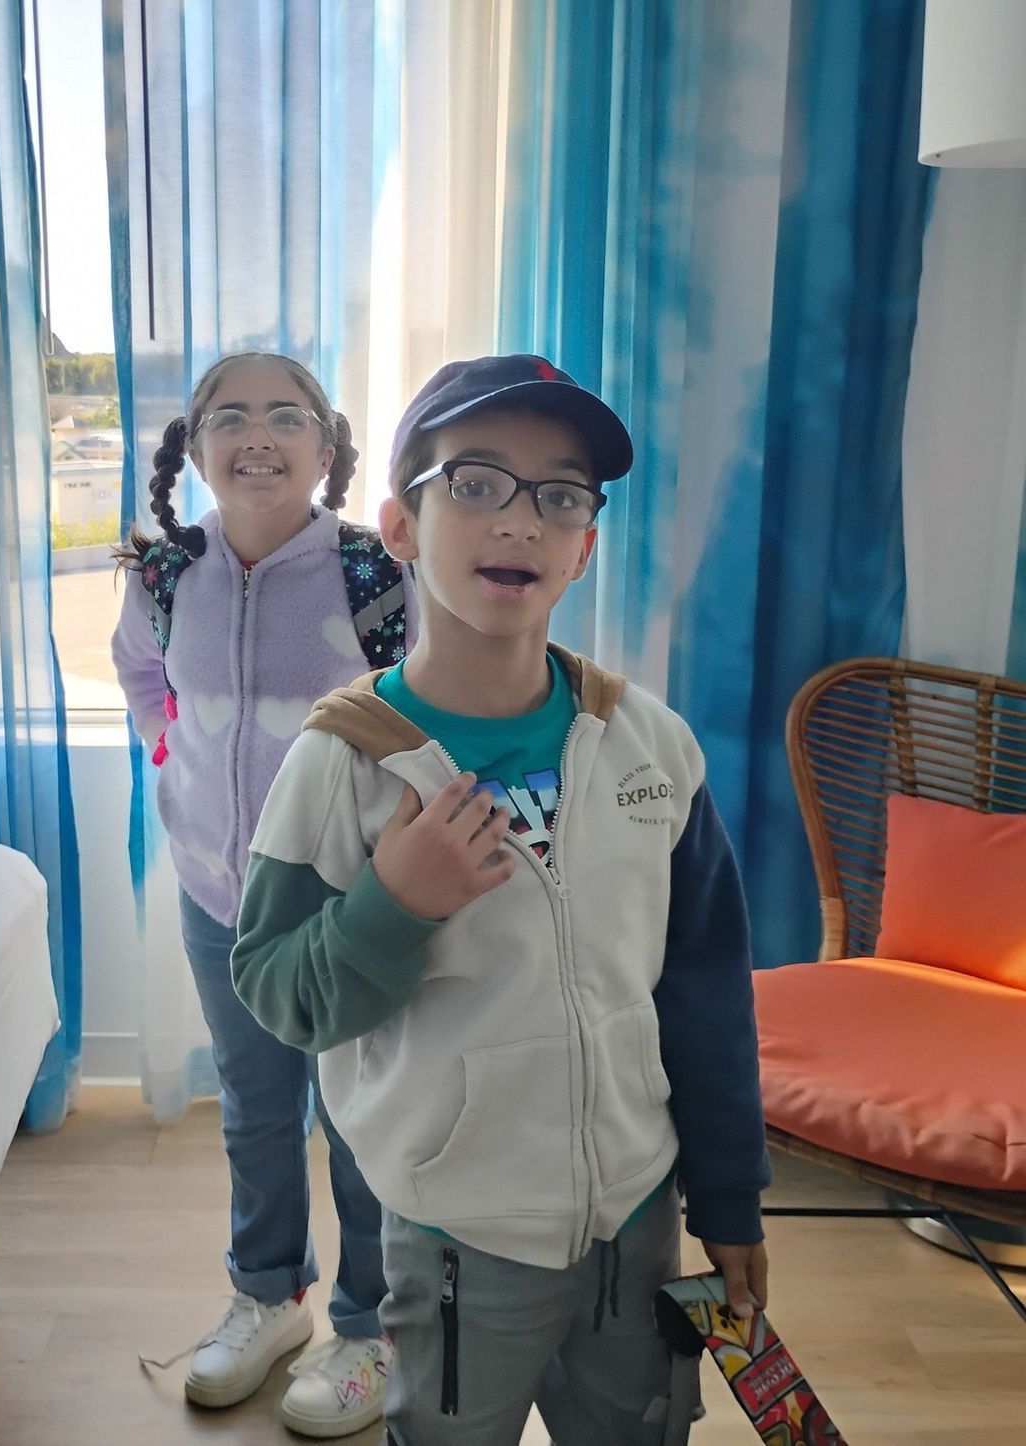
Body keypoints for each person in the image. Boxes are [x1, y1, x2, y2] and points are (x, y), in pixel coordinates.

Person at [231, 354, 771, 1445]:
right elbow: (278, 993)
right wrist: (393, 904)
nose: (520, 520)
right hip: (453, 1238)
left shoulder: (649, 746)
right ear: (400, 526)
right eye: (474, 483)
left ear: (585, 547)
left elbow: (708, 996)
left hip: (637, 1218)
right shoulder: (344, 763)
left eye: (561, 495)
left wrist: (728, 1197)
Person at [111, 352, 413, 1438]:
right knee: (254, 1111)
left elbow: (428, 708)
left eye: (286, 416)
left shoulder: (373, 572)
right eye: (229, 416)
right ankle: (269, 1294)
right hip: (215, 896)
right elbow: (140, 673)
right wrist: (170, 751)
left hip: (346, 906)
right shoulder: (165, 573)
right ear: (194, 449)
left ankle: (372, 1327)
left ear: (324, 448)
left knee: (360, 1118)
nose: (257, 435)